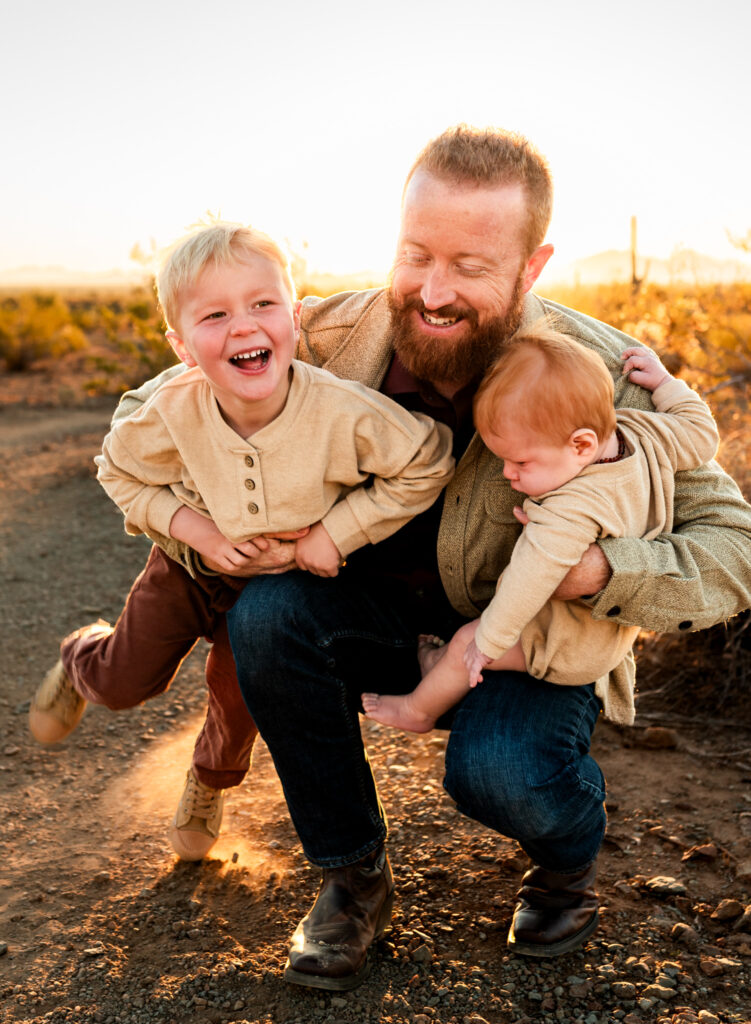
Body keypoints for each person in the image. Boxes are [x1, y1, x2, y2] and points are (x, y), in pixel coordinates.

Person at [31, 125, 751, 987]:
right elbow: (178, 410)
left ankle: (565, 867)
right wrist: (203, 530)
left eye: (471, 267)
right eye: (415, 255)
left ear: (531, 266)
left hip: (520, 645)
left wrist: (603, 574)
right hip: (367, 620)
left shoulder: (599, 373)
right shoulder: (326, 333)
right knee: (267, 620)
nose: (433, 292)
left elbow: (731, 548)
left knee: (502, 775)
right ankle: (351, 879)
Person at [30, 221, 455, 858]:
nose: (244, 326)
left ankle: (207, 782)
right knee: (125, 682)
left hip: (280, 587)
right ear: (181, 345)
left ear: (295, 315)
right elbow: (116, 470)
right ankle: (81, 658)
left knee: (239, 699)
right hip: (187, 571)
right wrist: (192, 528)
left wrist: (336, 533)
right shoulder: (172, 410)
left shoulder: (341, 412)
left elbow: (430, 459)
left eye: (263, 304)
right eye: (215, 314)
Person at [361, 327, 720, 734]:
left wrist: (487, 645)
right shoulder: (643, 432)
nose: (508, 473)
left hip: (567, 641)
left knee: (466, 642)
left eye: (521, 463)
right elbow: (702, 435)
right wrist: (667, 386)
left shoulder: (570, 509)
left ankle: (418, 709)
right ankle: (438, 664)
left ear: (582, 445)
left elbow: (528, 580)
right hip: (607, 634)